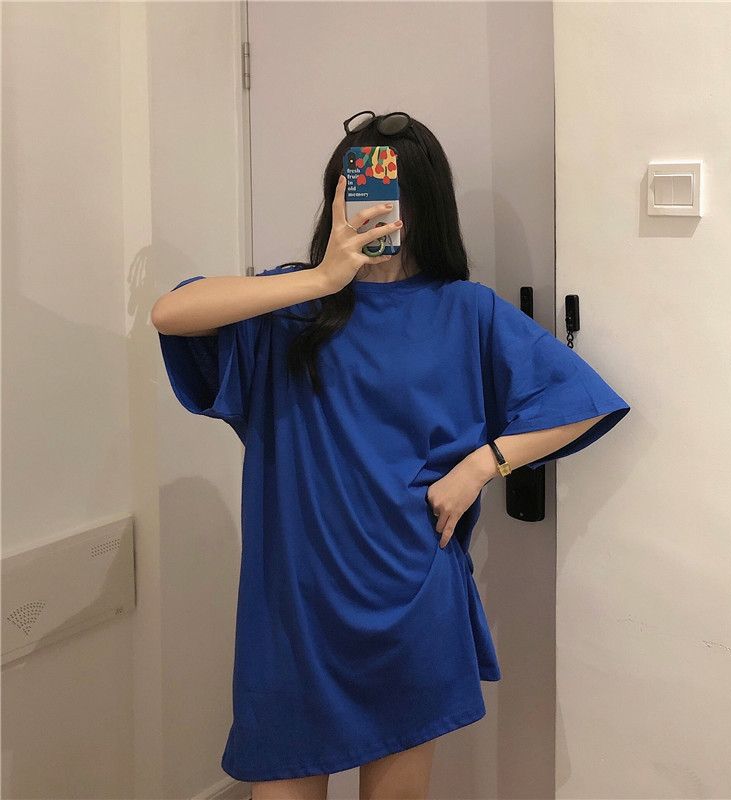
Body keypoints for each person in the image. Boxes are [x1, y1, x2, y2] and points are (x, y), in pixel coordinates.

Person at [151, 112, 631, 800]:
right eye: (354, 186)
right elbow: (171, 313)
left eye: (387, 190)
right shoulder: (289, 305)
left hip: (410, 594)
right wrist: (321, 279)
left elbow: (582, 398)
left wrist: (480, 466)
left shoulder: (465, 310)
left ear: (422, 202)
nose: (369, 206)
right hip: (294, 604)